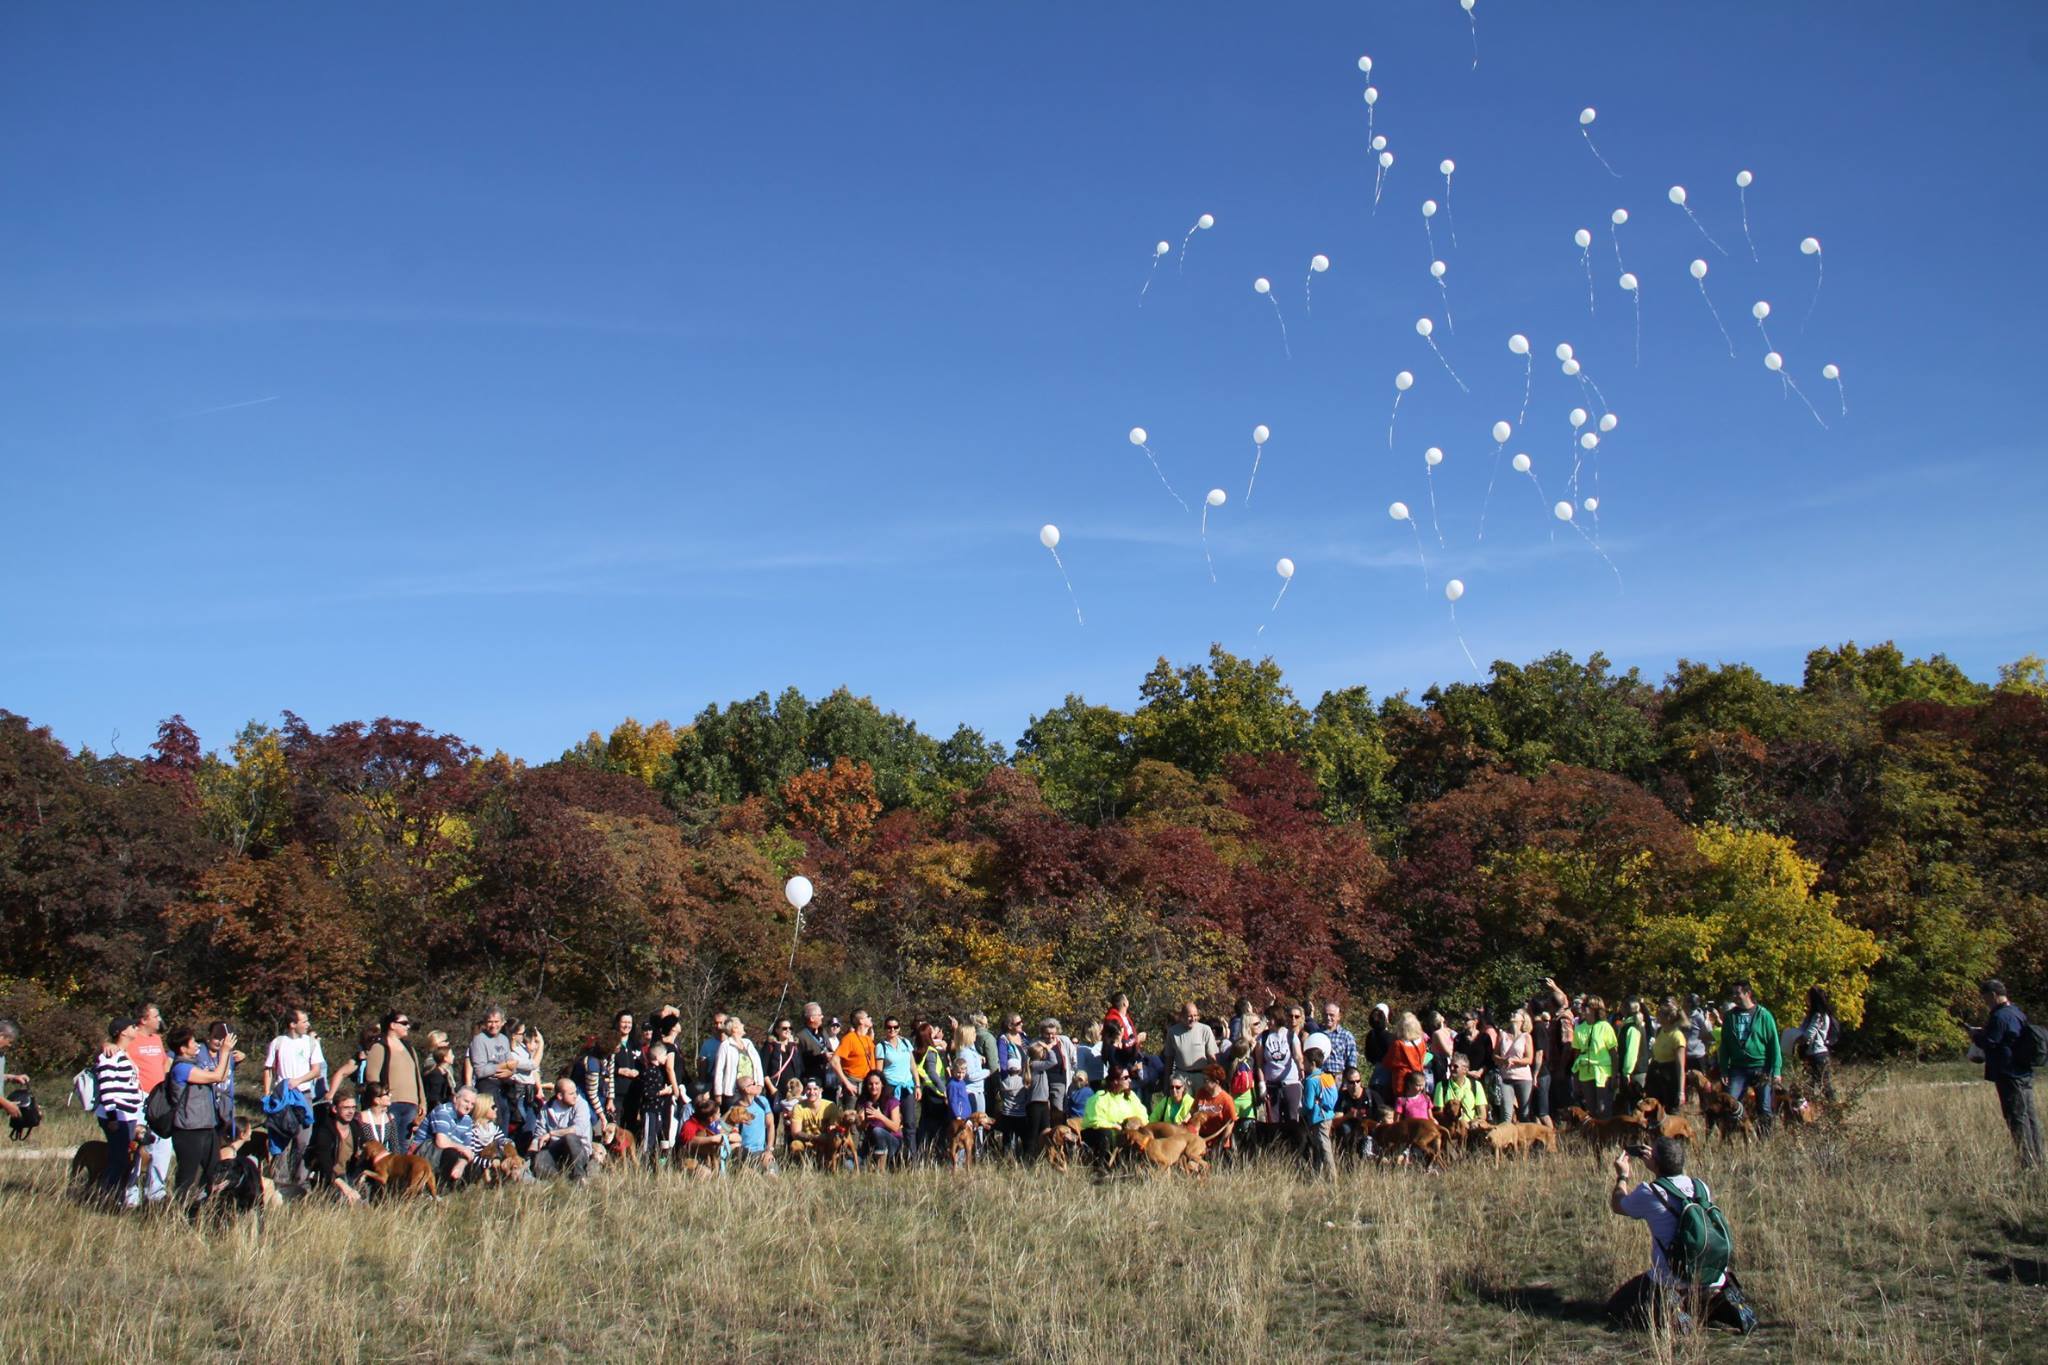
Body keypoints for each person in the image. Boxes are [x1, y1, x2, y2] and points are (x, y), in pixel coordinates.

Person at [1607, 1136, 1755, 1333]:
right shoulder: (1701, 1187)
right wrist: (1659, 1165)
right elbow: (1675, 1182)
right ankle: (1715, 1304)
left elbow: (1618, 1204)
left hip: (1671, 1278)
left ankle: (1672, 1309)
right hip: (1713, 1276)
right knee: (1705, 1294)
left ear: (1656, 1163)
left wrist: (1623, 1175)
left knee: (1615, 1308)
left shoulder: (1649, 1192)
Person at [1972, 979, 2042, 1170]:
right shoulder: (2017, 1012)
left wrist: (1976, 1035)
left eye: (1985, 998)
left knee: (2016, 1117)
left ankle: (2028, 1164)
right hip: (2023, 1071)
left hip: (2008, 1073)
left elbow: (1991, 1041)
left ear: (1993, 995)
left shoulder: (2000, 1016)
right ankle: (2038, 1159)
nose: (1985, 1002)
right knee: (2030, 1117)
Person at [165, 1024, 235, 1206]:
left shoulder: (194, 1065)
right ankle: (178, 1212)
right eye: (192, 1042)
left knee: (214, 1171)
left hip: (206, 1127)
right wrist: (225, 1051)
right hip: (188, 1131)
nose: (197, 1045)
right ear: (182, 1048)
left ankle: (207, 1209)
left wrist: (226, 1053)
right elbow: (217, 1076)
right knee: (187, 1176)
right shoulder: (181, 1068)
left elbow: (223, 1074)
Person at [263, 1007, 327, 1181]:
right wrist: (267, 1095)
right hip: (282, 1096)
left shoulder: (311, 1043)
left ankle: (300, 1181)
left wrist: (298, 1080)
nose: (308, 1025)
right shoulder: (278, 1042)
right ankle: (279, 1182)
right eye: (304, 1021)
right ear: (292, 1024)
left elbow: (316, 1070)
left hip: (303, 1094)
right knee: (280, 1140)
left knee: (303, 1140)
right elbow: (268, 1069)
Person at [1717, 981, 1783, 1131]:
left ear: (1748, 993)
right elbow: (1725, 1045)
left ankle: (1765, 1141)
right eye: (1732, 993)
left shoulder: (1764, 1015)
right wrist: (1723, 1069)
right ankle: (1733, 1137)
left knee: (1764, 1106)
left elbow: (1774, 1044)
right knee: (1731, 1103)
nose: (1734, 997)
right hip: (1738, 1068)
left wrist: (1776, 1070)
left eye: (1737, 993)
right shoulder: (1730, 1017)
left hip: (1761, 1067)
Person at [126, 1003, 172, 1203]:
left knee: (163, 1144)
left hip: (159, 1098)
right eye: (156, 1015)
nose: (159, 1019)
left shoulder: (157, 1039)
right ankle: (130, 1194)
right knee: (137, 1146)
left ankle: (155, 1193)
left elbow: (164, 1063)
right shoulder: (132, 1037)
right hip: (139, 1097)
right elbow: (112, 1046)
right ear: (144, 1019)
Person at [363, 1010, 424, 1151]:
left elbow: (417, 1076)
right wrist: (380, 1099)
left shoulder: (410, 1048)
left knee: (403, 1145)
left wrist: (422, 1101)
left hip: (411, 1104)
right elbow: (372, 1077)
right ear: (392, 1025)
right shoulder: (379, 1047)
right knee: (387, 1144)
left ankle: (400, 1172)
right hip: (390, 1103)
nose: (407, 1026)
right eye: (404, 1023)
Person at [1257, 1003, 1305, 1149]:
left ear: (1277, 1018)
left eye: (1270, 1018)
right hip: (1272, 1085)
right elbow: (1259, 1064)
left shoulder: (1290, 1036)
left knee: (1292, 1121)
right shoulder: (1263, 1038)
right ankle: (1276, 1152)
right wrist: (1262, 1085)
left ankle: (1294, 1151)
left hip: (1290, 1083)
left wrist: (1301, 1066)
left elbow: (1297, 1055)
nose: (1268, 1021)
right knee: (1273, 1123)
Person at [306, 1088, 366, 1204]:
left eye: (353, 1108)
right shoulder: (325, 1131)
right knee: (341, 1200)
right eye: (346, 1108)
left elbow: (366, 1147)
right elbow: (325, 1165)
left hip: (350, 1174)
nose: (351, 1112)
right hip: (327, 1178)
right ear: (334, 1109)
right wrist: (344, 1187)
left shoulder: (355, 1127)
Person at [532, 1075, 595, 1180]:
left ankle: (579, 1177)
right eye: (571, 1094)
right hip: (555, 1149)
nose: (575, 1096)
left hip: (579, 1150)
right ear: (560, 1096)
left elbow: (578, 1129)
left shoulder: (581, 1105)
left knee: (570, 1137)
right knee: (539, 1159)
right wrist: (531, 1153)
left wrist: (551, 1134)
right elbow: (539, 1134)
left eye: (576, 1092)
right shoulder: (546, 1109)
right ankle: (558, 1181)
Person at [1080, 1068, 1145, 1167]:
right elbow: (1093, 1120)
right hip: (1101, 1135)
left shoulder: (1131, 1096)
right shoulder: (1100, 1097)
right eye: (1126, 1078)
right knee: (1106, 1134)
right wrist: (1113, 1125)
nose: (1130, 1080)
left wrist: (1136, 1123)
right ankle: (1101, 1167)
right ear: (1115, 1081)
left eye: (1129, 1077)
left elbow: (1143, 1115)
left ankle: (1133, 1166)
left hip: (1127, 1133)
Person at [1573, 996, 1620, 1118]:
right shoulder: (1579, 1029)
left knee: (1603, 1109)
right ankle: (1593, 1136)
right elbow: (1577, 1054)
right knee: (1591, 1110)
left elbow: (1614, 1053)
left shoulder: (1605, 1027)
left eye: (1586, 1006)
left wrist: (1615, 1076)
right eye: (1582, 1006)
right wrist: (1576, 1078)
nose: (1582, 1008)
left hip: (1603, 1073)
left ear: (1595, 1009)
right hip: (1585, 1073)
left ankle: (1607, 1136)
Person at [1301, 1036, 1339, 1176]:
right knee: (1319, 1146)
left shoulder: (1311, 1081)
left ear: (1312, 1063)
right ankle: (1318, 1174)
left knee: (1324, 1146)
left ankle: (1332, 1176)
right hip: (1328, 1115)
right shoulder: (1327, 1077)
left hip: (1318, 1118)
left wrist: (1301, 1110)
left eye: (1305, 1061)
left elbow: (1309, 1105)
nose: (1303, 1064)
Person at [426, 1086, 480, 1185]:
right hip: (426, 1152)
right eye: (466, 1101)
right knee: (451, 1153)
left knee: (475, 1164)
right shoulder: (442, 1111)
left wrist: (461, 1164)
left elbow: (468, 1150)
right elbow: (441, 1142)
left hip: (447, 1154)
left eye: (472, 1104)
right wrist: (463, 1150)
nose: (469, 1107)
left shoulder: (467, 1120)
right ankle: (438, 1187)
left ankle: (454, 1191)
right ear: (455, 1099)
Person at [465, 1006, 514, 1112]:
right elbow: (480, 1071)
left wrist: (510, 1072)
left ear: (502, 1022)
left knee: (506, 1115)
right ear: (485, 1023)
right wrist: (503, 1066)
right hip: (487, 1086)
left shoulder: (504, 1039)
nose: (493, 1025)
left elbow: (511, 1063)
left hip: (504, 1085)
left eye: (496, 1021)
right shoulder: (479, 1040)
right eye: (490, 1022)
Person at [639, 1040, 679, 1164]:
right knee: (648, 1138)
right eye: (664, 1055)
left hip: (657, 1110)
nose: (666, 1058)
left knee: (656, 1137)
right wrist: (664, 1091)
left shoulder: (658, 1072)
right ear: (657, 1057)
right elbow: (647, 1093)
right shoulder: (649, 1072)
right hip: (649, 1110)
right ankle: (644, 1164)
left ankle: (654, 1163)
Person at [1797, 987, 1840, 1102]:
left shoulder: (1818, 1015)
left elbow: (1808, 1035)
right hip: (1816, 1054)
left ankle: (1834, 1109)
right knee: (1812, 1085)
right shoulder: (1815, 1015)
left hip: (1817, 1054)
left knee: (1822, 1085)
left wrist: (1797, 1039)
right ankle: (1814, 1111)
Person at [855, 1071, 905, 1168]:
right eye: (870, 1084)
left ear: (882, 1084)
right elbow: (861, 1129)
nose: (873, 1087)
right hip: (871, 1143)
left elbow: (895, 1127)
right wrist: (864, 1121)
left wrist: (880, 1116)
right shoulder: (864, 1102)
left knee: (877, 1131)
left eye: (877, 1083)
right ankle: (871, 1166)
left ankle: (880, 1169)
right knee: (848, 1165)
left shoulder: (892, 1101)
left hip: (892, 1142)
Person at [1495, 1010, 1538, 1121]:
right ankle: (1505, 1137)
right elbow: (1494, 1055)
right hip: (1506, 1078)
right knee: (1506, 1113)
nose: (1512, 1014)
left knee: (1524, 1113)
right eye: (1512, 1012)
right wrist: (1504, 1060)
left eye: (1516, 1013)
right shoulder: (1502, 1034)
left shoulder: (1526, 1036)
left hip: (1523, 1078)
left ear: (1522, 1019)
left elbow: (1529, 1059)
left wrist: (1514, 1061)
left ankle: (1526, 1137)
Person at [712, 1016, 761, 1108]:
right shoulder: (725, 1046)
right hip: (733, 1092)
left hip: (751, 1089)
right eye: (740, 1024)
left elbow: (758, 1065)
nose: (743, 1025)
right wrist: (718, 1094)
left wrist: (760, 1085)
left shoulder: (748, 1043)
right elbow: (719, 1070)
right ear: (735, 1028)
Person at [1649, 1004, 1690, 1112]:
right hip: (1657, 1075)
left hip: (1670, 1078)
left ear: (1668, 1018)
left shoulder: (1677, 1037)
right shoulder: (1660, 1031)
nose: (1657, 1016)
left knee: (1669, 1112)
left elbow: (1680, 1067)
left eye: (1660, 1014)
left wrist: (1681, 1092)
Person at [1384, 1012, 1428, 1110]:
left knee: (1401, 1110)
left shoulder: (1399, 1044)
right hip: (1418, 1079)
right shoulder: (1421, 1042)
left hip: (1402, 1082)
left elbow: (1388, 1062)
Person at [832, 1010, 877, 1100]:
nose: (870, 1018)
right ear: (861, 1021)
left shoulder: (868, 1039)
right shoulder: (849, 1039)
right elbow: (834, 1061)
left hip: (867, 1084)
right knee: (851, 1114)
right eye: (868, 1016)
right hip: (853, 1084)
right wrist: (847, 1083)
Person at [609, 1010, 640, 1134]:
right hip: (616, 1092)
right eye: (624, 1022)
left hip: (633, 1092)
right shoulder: (611, 1043)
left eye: (629, 1022)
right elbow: (604, 1066)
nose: (627, 1025)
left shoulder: (635, 1044)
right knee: (614, 1124)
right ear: (617, 1023)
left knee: (630, 1125)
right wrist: (619, 1070)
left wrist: (638, 1072)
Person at [761, 1018, 802, 1099]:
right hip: (776, 1089)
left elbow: (800, 1067)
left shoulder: (795, 1047)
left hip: (793, 1089)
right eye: (784, 1028)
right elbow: (763, 1069)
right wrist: (771, 1088)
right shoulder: (770, 1046)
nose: (788, 1030)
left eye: (790, 1028)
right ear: (777, 1030)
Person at [420, 1030, 458, 1119]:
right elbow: (434, 1093)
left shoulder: (446, 1065)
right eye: (445, 1041)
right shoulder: (431, 1063)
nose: (448, 1043)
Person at [1319, 1003, 1358, 1080]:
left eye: (1331, 1015)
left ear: (1338, 1017)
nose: (1328, 1018)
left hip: (1338, 1078)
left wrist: (1347, 1081)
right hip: (1320, 1077)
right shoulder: (1317, 1035)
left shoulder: (1346, 1036)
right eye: (1325, 1015)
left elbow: (1352, 1061)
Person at [355, 1082, 396, 1152]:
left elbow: (395, 1146)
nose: (390, 1095)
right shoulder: (359, 1119)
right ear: (377, 1100)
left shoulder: (390, 1118)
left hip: (383, 1160)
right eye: (387, 1094)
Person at [695, 1012, 728, 1092]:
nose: (718, 1026)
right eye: (716, 1023)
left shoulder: (733, 1043)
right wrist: (702, 1084)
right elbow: (702, 1065)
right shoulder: (707, 1044)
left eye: (721, 1023)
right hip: (712, 1082)